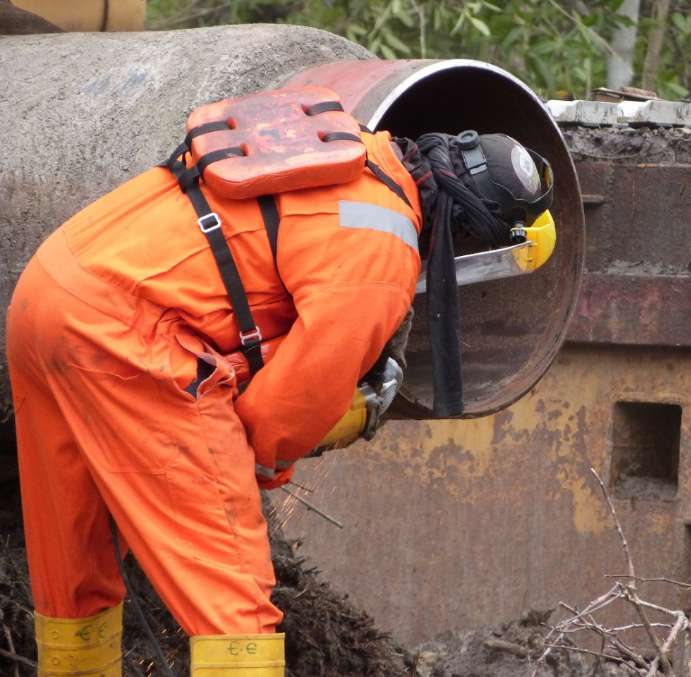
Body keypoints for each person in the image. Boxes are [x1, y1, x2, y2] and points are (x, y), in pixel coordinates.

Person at [6, 87, 554, 676]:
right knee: (235, 597)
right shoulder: (383, 247)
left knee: (74, 567)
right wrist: (268, 460)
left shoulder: (359, 151)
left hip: (49, 291)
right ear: (460, 227)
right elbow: (286, 413)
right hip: (123, 336)